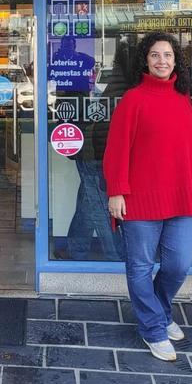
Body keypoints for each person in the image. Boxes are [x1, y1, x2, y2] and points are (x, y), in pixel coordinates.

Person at [103, 32, 192, 361]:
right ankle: (153, 328)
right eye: (155, 55)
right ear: (146, 59)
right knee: (140, 268)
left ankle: (158, 311)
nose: (162, 61)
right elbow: (116, 150)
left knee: (179, 264)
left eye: (168, 55)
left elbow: (189, 153)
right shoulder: (133, 99)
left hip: (180, 199)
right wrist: (116, 191)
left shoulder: (183, 98)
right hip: (140, 199)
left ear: (176, 60)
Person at [62, 42, 131, 261]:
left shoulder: (115, 85)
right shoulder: (125, 85)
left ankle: (79, 250)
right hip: (97, 154)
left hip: (94, 153)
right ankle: (114, 256)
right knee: (97, 205)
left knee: (93, 204)